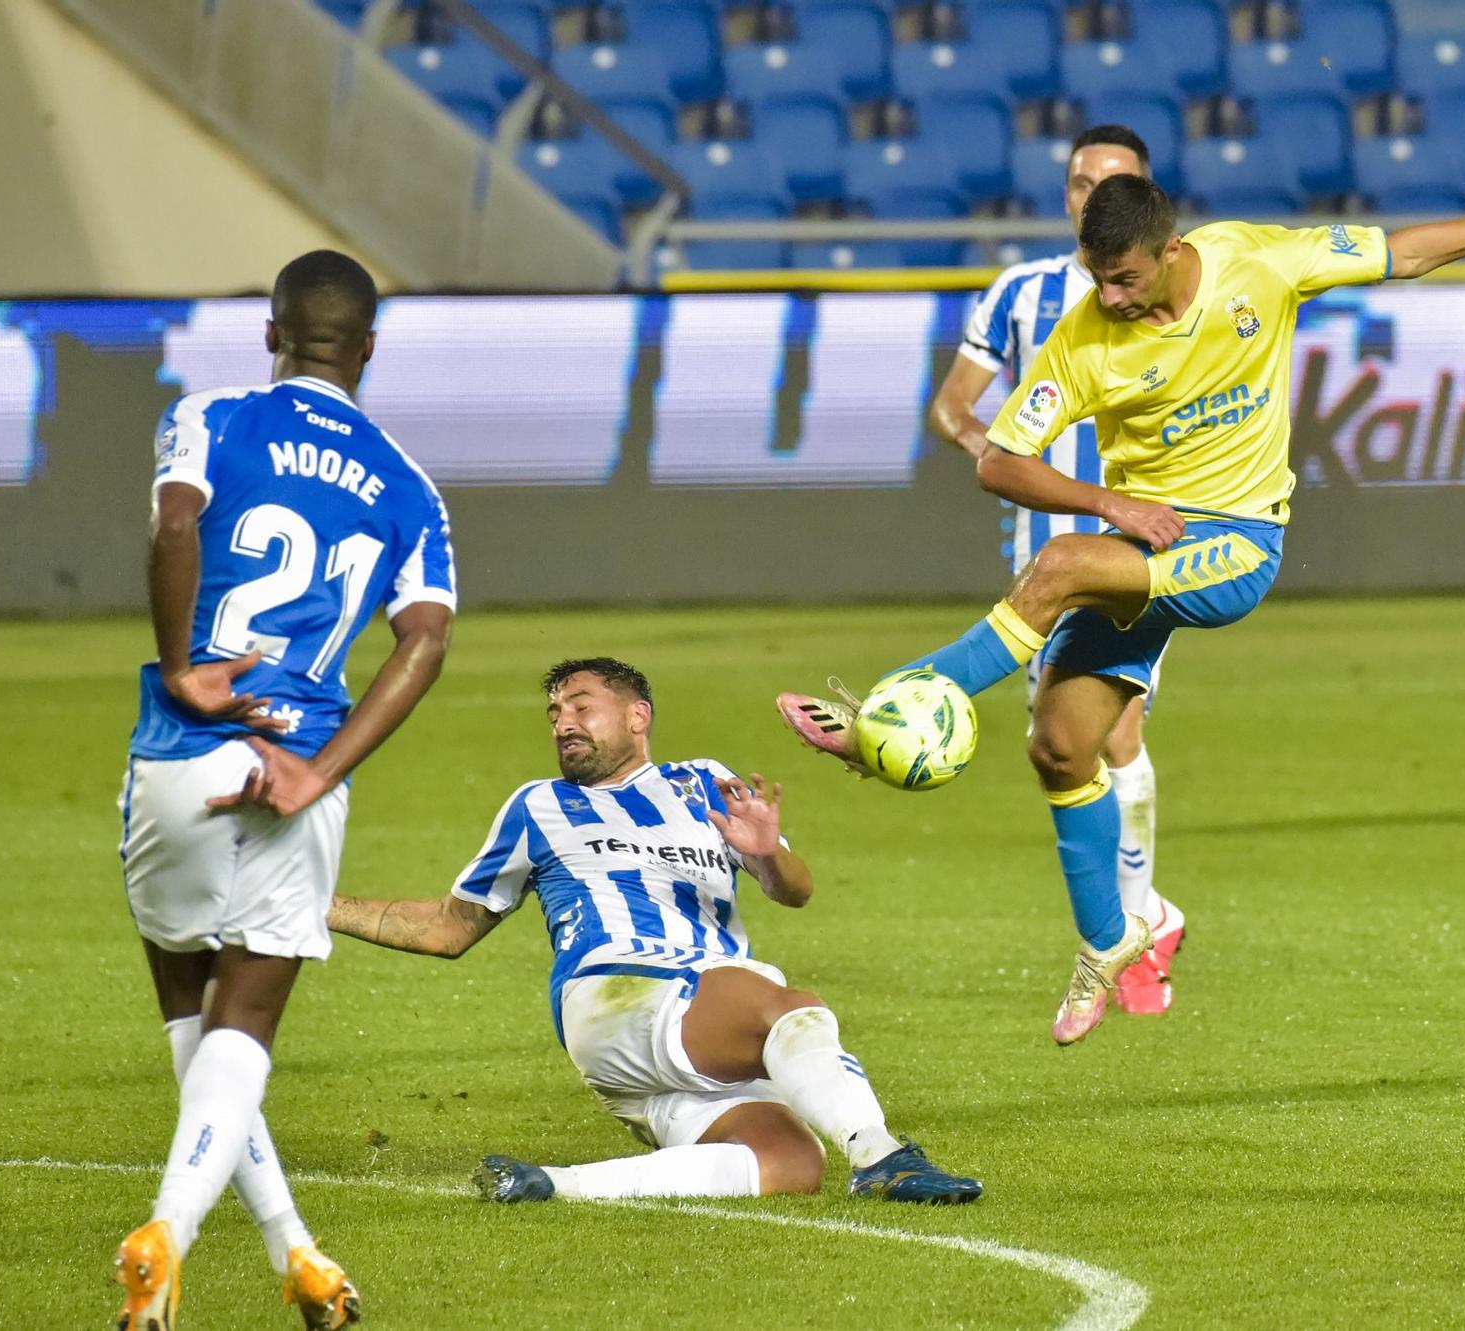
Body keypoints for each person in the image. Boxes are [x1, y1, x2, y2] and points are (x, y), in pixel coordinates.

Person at [782, 146, 1465, 1047]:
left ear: (1169, 249)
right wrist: (1106, 499)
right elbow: (1000, 459)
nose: (1114, 298)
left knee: (1057, 567)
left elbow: (1405, 252)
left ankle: (889, 708)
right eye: (1101, 281)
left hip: (1239, 544)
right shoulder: (1088, 333)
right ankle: (1109, 937)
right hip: (1144, 541)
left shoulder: (1258, 262)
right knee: (1058, 749)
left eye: (1127, 279)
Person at [115, 250, 457, 1331]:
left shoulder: (209, 416)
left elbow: (175, 527)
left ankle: (291, 1256)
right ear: (364, 349)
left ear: (272, 332)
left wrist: (181, 667)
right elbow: (425, 639)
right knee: (245, 1020)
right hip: (299, 759)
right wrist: (320, 765)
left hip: (184, 741)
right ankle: (185, 1231)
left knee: (190, 1001)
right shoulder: (409, 483)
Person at [325, 658, 982, 1207]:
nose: (564, 723)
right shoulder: (541, 805)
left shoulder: (703, 782)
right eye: (555, 714)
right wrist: (311, 905)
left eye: (581, 706)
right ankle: (882, 1155)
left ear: (638, 714)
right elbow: (449, 926)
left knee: (788, 1161)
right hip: (620, 994)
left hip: (695, 1025)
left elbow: (795, 890)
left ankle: (547, 1184)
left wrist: (766, 853)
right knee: (791, 1007)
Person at [926, 125, 1184, 1018]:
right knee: (1060, 742)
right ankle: (1144, 918)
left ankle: (1141, 926)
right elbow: (954, 406)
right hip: (1042, 551)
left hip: (1136, 547)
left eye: (1110, 183)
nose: (1089, 197)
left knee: (1114, 737)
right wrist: (990, 452)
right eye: (1079, 182)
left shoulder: (1175, 295)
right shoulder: (1021, 292)